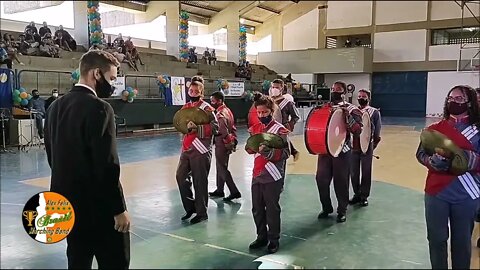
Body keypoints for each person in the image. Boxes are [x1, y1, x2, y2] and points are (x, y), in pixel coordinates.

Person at [44, 50, 130, 269]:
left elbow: (52, 156)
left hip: (67, 206)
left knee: (78, 262)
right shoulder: (100, 108)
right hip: (99, 209)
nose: (112, 84)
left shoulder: (54, 107)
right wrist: (118, 209)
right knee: (115, 262)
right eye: (111, 78)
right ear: (96, 74)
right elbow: (107, 165)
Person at [416, 85, 480, 269]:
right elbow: (420, 154)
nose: (453, 101)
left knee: (461, 243)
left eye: (459, 99)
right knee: (436, 240)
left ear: (469, 103)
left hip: (466, 194)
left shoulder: (478, 131)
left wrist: (470, 160)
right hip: (436, 193)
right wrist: (431, 161)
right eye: (450, 98)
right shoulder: (435, 129)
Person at [246, 93, 290, 254]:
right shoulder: (255, 129)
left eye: (264, 112)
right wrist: (250, 147)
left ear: (271, 111)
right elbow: (250, 148)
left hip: (273, 175)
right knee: (256, 208)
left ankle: (273, 239)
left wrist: (269, 152)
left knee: (272, 209)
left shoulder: (280, 129)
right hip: (257, 174)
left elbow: (286, 153)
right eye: (259, 112)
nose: (261, 115)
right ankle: (261, 236)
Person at [316, 81, 363, 223]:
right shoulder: (325, 107)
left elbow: (358, 130)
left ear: (344, 92)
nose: (334, 91)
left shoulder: (352, 109)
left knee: (341, 182)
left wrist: (347, 116)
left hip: (342, 150)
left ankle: (342, 210)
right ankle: (326, 207)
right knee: (321, 179)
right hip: (325, 150)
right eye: (332, 89)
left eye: (338, 89)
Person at [176, 79, 219, 224]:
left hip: (201, 149)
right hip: (187, 148)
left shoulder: (207, 109)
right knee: (180, 177)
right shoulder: (186, 107)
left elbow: (215, 128)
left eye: (196, 91)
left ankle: (202, 212)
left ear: (201, 92)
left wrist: (198, 129)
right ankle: (190, 207)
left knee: (200, 181)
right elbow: (180, 124)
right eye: (190, 91)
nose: (192, 93)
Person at [349, 89, 382, 207]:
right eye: (359, 96)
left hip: (367, 145)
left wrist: (374, 143)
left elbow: (377, 129)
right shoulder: (353, 111)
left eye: (363, 96)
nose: (361, 98)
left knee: (366, 171)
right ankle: (356, 194)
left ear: (368, 98)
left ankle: (364, 196)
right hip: (354, 145)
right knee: (353, 172)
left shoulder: (374, 112)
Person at [208, 91, 241, 201]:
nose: (211, 103)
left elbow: (222, 130)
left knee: (222, 167)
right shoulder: (227, 110)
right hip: (228, 140)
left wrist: (228, 144)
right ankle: (220, 190)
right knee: (220, 165)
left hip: (222, 142)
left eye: (213, 101)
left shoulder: (220, 114)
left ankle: (234, 191)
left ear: (220, 101)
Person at [269, 79, 300, 161]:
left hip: (282, 127)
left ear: (282, 88)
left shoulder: (287, 103)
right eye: (273, 87)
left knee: (282, 149)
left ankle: (292, 152)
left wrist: (289, 126)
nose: (274, 89)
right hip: (270, 128)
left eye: (277, 87)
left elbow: (296, 116)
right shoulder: (268, 101)